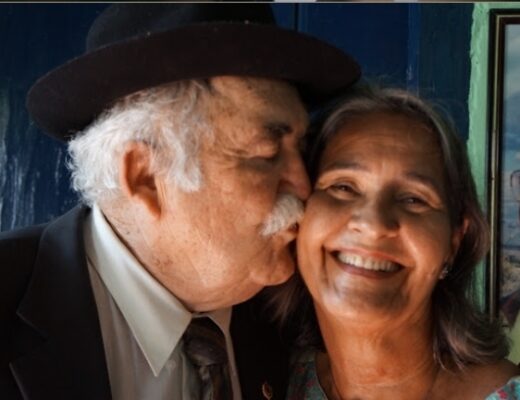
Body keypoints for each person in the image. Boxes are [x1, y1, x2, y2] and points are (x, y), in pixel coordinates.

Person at [0, 4, 360, 400]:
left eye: (301, 150)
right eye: (266, 155)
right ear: (145, 177)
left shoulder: (304, 310)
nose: (304, 186)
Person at [271, 86, 520, 399]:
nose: (373, 225)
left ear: (454, 241)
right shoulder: (264, 378)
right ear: (298, 216)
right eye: (343, 187)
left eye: (414, 199)